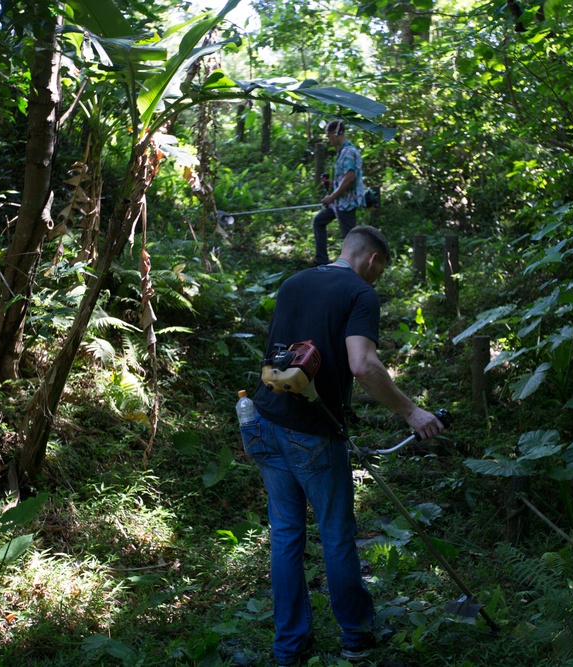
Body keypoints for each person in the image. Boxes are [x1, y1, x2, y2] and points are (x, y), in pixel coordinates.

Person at [239, 226, 445, 666]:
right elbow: (363, 364)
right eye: (380, 272)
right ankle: (356, 637)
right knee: (335, 534)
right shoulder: (359, 293)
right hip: (311, 433)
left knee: (287, 536)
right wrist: (412, 413)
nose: (376, 281)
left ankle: (289, 649)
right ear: (372, 261)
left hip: (263, 420)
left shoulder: (294, 282)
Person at [313, 119, 366, 266]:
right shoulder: (343, 151)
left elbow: (349, 178)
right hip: (338, 202)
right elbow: (344, 179)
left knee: (350, 239)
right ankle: (322, 262)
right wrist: (331, 184)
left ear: (338, 133)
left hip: (346, 204)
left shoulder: (349, 152)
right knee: (319, 221)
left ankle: (359, 268)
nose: (329, 140)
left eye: (329, 136)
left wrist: (331, 197)